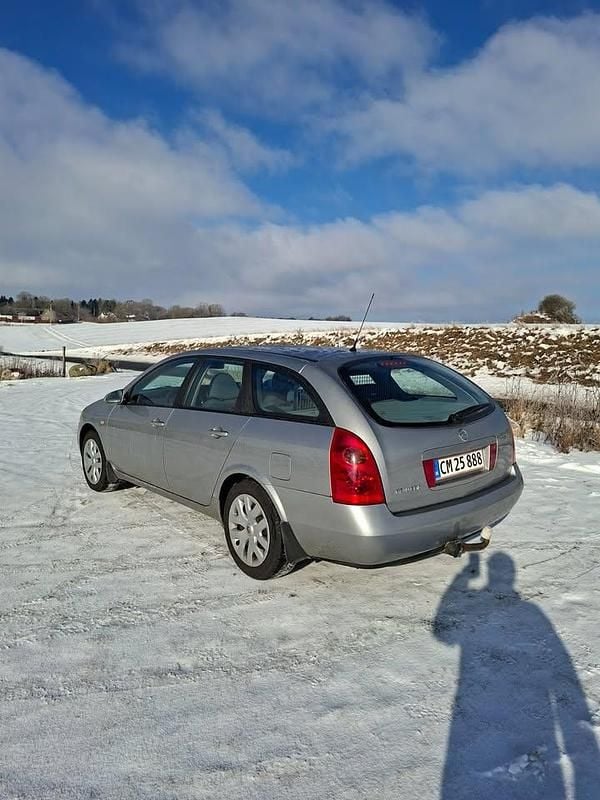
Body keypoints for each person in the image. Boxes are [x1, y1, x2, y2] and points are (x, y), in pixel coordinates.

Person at [434, 551, 600, 800]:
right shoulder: (531, 611)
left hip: (488, 703)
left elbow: (444, 635)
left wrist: (461, 580)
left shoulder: (528, 613)